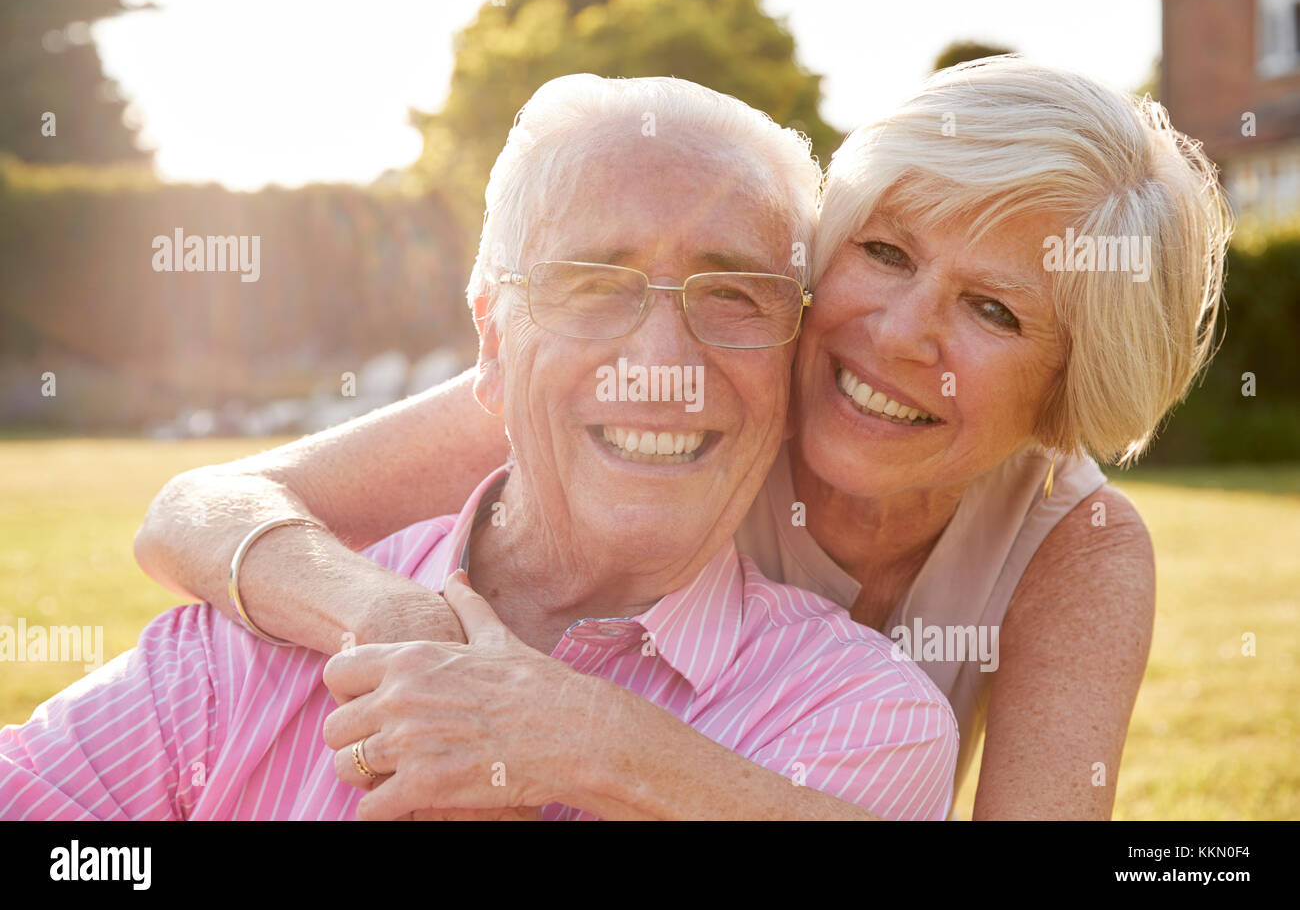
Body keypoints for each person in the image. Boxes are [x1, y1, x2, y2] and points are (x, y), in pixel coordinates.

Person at [133, 57, 1232, 819]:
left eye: (993, 309)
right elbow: (194, 512)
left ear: (1067, 383)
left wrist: (586, 736)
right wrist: (388, 617)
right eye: (885, 254)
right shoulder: (679, 396)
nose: (896, 335)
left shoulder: (1074, 547)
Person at [0, 75, 957, 821]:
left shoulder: (856, 722)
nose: (663, 364)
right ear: (493, 340)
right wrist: (385, 618)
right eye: (594, 286)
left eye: (735, 294)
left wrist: (562, 748)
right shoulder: (265, 624)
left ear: (793, 356)